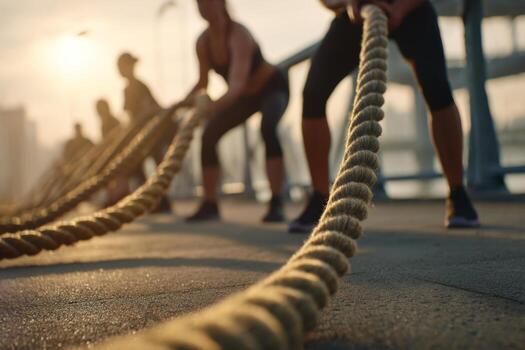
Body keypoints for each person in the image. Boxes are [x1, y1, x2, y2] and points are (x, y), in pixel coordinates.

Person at [289, 0, 480, 233]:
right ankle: (319, 197)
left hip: (412, 8)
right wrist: (351, 5)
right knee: (313, 94)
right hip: (358, 12)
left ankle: (458, 193)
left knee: (436, 86)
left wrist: (399, 9)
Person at [183, 0, 289, 223]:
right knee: (209, 134)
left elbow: (236, 86)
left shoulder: (239, 34)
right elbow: (202, 81)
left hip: (272, 87)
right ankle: (210, 203)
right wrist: (180, 104)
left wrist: (211, 108)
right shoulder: (202, 42)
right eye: (199, 2)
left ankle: (276, 202)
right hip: (245, 97)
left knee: (268, 128)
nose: (203, 6)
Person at [117, 52, 174, 213]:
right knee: (139, 166)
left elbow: (149, 109)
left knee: (151, 165)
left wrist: (136, 123)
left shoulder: (137, 87)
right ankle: (152, 200)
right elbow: (130, 115)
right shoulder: (130, 88)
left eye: (121, 66)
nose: (119, 70)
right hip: (144, 133)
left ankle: (159, 200)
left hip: (153, 132)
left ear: (129, 66)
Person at [95, 98, 130, 207]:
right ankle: (113, 198)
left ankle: (122, 197)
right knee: (107, 176)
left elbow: (120, 138)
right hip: (109, 156)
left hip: (119, 154)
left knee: (120, 174)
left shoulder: (114, 121)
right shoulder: (103, 125)